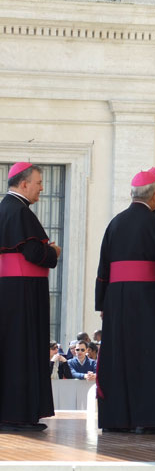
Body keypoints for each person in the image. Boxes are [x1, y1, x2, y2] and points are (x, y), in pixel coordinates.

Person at [95, 170, 155, 434]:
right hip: (150, 298)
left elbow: (103, 268)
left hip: (117, 300)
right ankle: (150, 419)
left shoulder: (115, 222)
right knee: (151, 356)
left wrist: (102, 305)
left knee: (120, 356)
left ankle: (117, 419)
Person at [0, 162, 61, 432]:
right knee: (22, 351)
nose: (42, 188)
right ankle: (20, 415)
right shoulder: (20, 212)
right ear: (23, 184)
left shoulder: (4, 209)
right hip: (24, 293)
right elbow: (35, 254)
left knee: (8, 351)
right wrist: (54, 252)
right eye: (38, 182)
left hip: (7, 291)